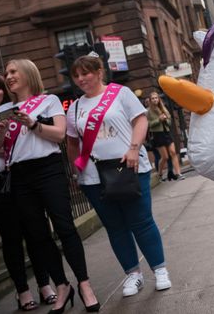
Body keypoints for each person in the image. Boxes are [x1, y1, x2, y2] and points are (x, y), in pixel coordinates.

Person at [0, 59, 99, 313]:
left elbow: (60, 135)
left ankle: (84, 285)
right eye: (6, 73)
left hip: (48, 169)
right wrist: (0, 132)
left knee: (64, 227)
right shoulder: (4, 109)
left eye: (12, 72)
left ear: (28, 73)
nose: (8, 77)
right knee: (38, 235)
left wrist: (32, 123)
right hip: (19, 175)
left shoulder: (49, 101)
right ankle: (62, 285)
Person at [66, 54, 172, 299]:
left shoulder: (120, 93)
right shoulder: (75, 108)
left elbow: (141, 120)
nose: (81, 79)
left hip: (129, 167)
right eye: (77, 75)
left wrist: (134, 148)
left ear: (99, 71)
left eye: (86, 73)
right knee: (115, 227)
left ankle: (160, 269)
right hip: (94, 177)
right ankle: (133, 274)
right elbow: (72, 143)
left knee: (142, 221)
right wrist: (76, 168)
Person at [0, 72, 57, 311]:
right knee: (11, 238)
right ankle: (22, 290)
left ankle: (44, 285)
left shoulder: (16, 110)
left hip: (21, 177)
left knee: (35, 231)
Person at [146, 92, 184, 180]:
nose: (155, 100)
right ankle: (159, 173)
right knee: (165, 157)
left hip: (166, 133)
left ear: (159, 99)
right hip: (158, 135)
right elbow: (148, 125)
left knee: (173, 153)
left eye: (156, 98)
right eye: (153, 98)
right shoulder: (148, 112)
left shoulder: (163, 108)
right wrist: (159, 120)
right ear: (151, 100)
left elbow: (170, 122)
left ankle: (178, 173)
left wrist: (166, 120)